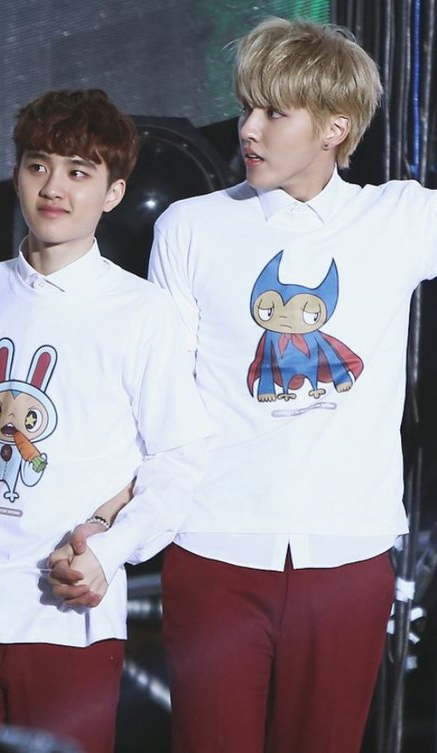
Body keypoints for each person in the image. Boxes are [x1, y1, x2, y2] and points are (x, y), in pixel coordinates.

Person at [146, 16, 426, 753]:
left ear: (336, 127)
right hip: (211, 547)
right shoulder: (189, 226)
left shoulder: (398, 218)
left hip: (348, 554)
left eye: (274, 112)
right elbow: (159, 393)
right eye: (247, 107)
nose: (249, 128)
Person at [0, 88, 209, 753]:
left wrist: (108, 550)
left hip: (65, 618)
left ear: (113, 192)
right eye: (38, 165)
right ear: (16, 173)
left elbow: (177, 459)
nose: (53, 187)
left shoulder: (142, 312)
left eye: (78, 171)